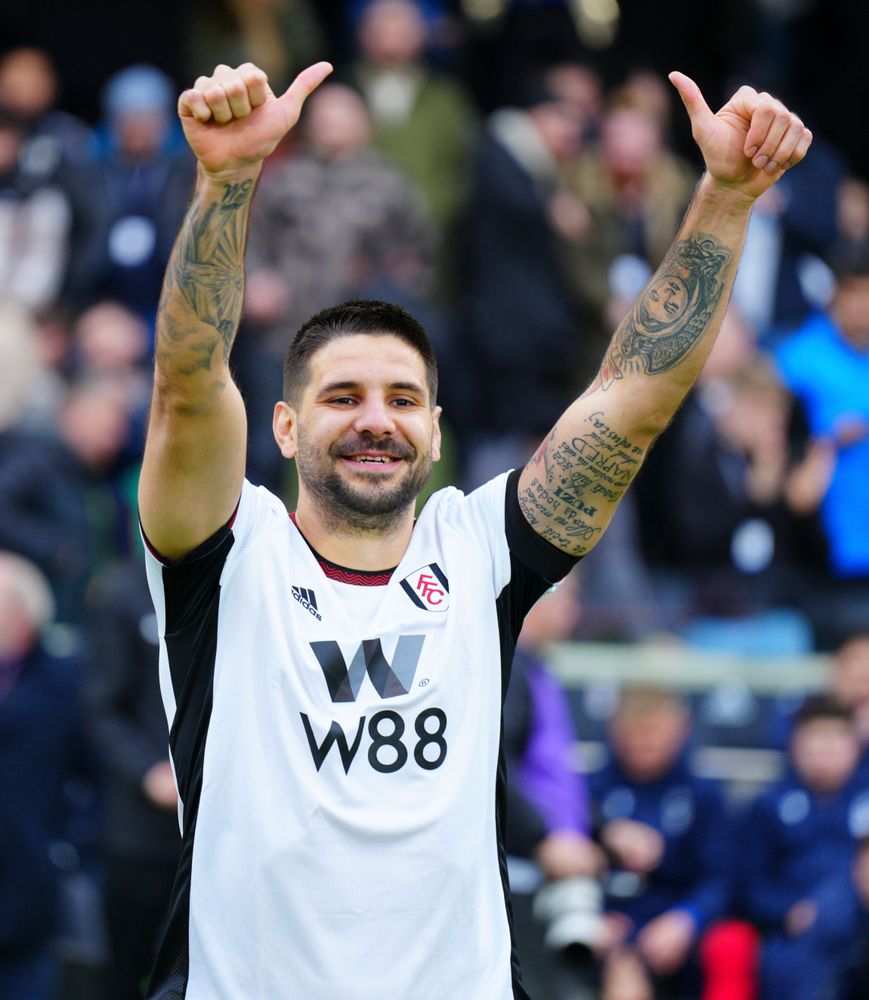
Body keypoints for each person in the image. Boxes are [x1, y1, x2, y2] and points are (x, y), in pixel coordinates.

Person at [137, 57, 810, 999]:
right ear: (284, 428)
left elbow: (634, 395)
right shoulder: (229, 552)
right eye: (342, 396)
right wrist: (226, 183)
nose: (377, 418)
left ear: (435, 430)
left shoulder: (475, 546)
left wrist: (727, 198)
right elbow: (188, 387)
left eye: (403, 398)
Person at [588, 687, 732, 1000]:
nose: (645, 743)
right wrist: (591, 916)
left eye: (655, 733)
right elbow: (570, 863)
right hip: (603, 926)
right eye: (635, 733)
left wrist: (686, 919)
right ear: (615, 732)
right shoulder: (590, 792)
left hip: (671, 925)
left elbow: (720, 879)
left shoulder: (703, 795)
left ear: (682, 731)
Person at [738, 696, 869, 1000]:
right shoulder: (768, 804)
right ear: (795, 744)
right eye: (816, 739)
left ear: (856, 745)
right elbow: (750, 885)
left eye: (836, 738)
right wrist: (788, 910)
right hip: (796, 933)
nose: (825, 750)